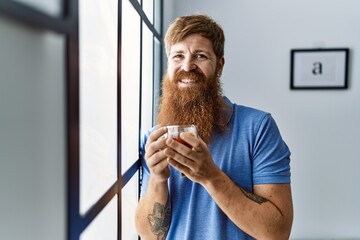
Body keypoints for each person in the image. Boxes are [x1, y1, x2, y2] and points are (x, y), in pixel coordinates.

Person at [135, 14, 293, 240]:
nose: (187, 65)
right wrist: (158, 179)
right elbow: (150, 236)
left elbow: (277, 233)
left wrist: (210, 175)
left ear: (219, 65)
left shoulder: (258, 128)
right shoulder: (154, 139)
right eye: (177, 56)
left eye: (200, 56)